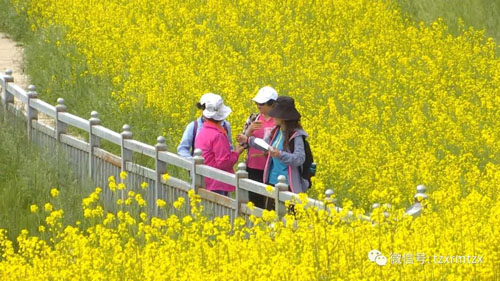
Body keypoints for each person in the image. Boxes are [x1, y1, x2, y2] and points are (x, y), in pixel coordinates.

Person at [237, 96, 309, 196]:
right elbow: (265, 145)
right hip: (272, 181)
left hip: (288, 185)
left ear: (283, 118)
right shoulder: (276, 131)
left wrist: (280, 154)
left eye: (275, 115)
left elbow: (299, 159)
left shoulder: (296, 136)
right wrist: (248, 140)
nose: (273, 117)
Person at [194, 94, 244, 196]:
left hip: (205, 179)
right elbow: (223, 163)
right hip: (217, 182)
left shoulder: (203, 130)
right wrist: (237, 153)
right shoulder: (218, 135)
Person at [238, 86, 277, 208]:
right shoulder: (253, 118)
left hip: (271, 167)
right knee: (255, 203)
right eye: (257, 103)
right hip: (253, 166)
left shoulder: (278, 121)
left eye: (262, 103)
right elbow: (242, 144)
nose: (258, 105)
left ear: (272, 104)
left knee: (271, 204)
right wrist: (249, 131)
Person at [177, 93, 233, 159]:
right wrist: (194, 162)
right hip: (197, 167)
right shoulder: (194, 126)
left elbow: (229, 147)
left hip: (220, 168)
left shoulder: (226, 125)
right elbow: (182, 149)